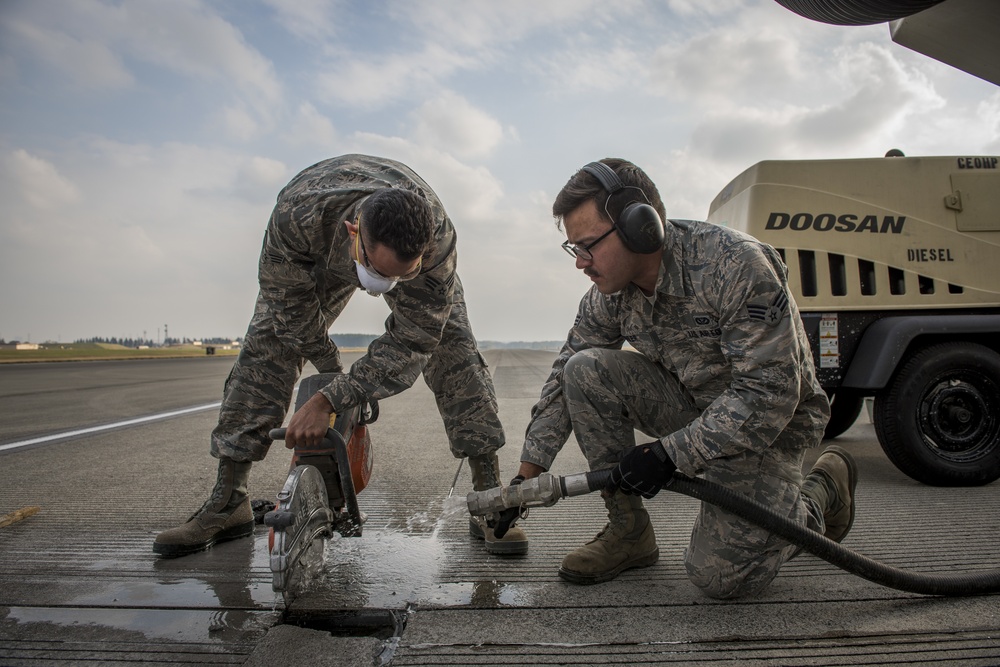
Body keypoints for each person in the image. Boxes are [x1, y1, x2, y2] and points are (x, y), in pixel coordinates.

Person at [512, 158, 855, 598]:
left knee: (720, 578)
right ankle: (628, 533)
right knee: (584, 371)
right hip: (695, 409)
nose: (580, 262)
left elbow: (768, 395)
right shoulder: (609, 295)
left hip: (771, 430)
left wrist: (668, 455)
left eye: (588, 245)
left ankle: (819, 496)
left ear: (640, 227)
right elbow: (565, 376)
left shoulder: (734, 266)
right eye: (572, 249)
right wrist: (525, 479)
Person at [154, 154, 527, 557]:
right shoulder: (297, 217)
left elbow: (416, 338)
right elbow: (290, 310)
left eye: (398, 275)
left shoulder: (436, 243)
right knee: (267, 347)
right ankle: (228, 501)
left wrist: (330, 398)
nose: (383, 286)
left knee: (456, 353)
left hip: (394, 259)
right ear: (355, 231)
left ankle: (489, 498)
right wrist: (331, 372)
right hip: (320, 253)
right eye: (376, 270)